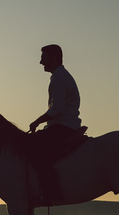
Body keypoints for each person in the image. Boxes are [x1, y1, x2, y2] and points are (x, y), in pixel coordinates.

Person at [27, 44, 82, 203]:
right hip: (66, 124)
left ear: (54, 58)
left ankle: (50, 189)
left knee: (32, 148)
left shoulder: (59, 78)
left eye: (43, 58)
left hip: (62, 126)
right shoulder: (62, 76)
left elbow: (56, 109)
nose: (40, 62)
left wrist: (36, 121)